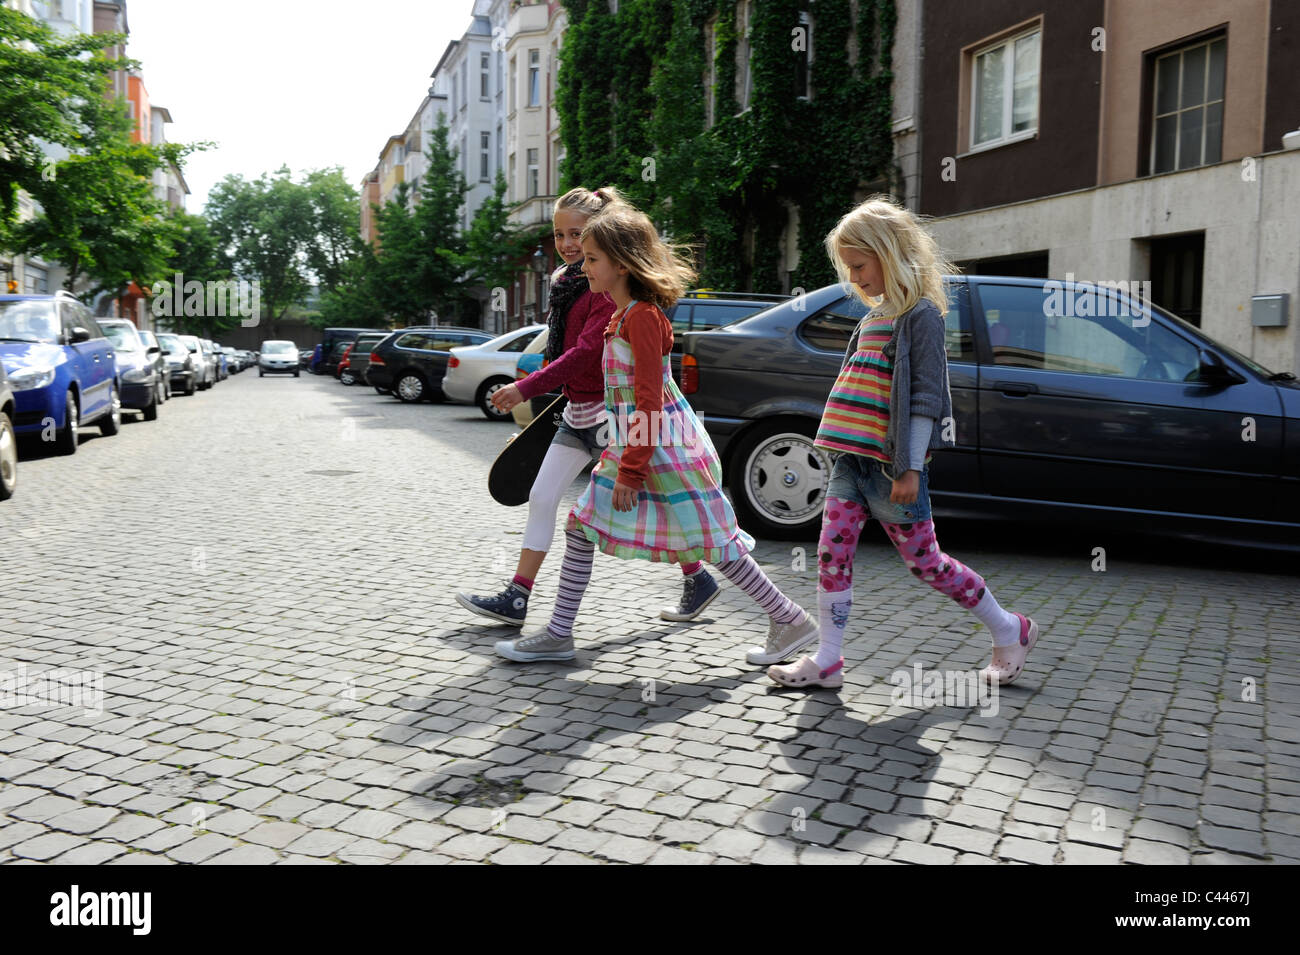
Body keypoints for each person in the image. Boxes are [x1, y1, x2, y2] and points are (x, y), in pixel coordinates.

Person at [494, 203, 816, 663]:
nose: (582, 267)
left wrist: (631, 470)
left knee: (713, 544)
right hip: (643, 445)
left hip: (663, 450)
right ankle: (559, 634)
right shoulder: (622, 316)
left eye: (592, 259)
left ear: (621, 264)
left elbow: (648, 400)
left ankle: (790, 619)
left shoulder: (642, 317)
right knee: (585, 527)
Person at [767, 195, 1040, 689]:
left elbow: (925, 398)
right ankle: (828, 659)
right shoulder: (873, 318)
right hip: (852, 464)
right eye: (847, 268)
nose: (853, 278)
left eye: (859, 265)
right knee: (831, 552)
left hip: (893, 468)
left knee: (926, 563)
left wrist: (910, 466)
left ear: (889, 253)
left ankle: (1009, 628)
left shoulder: (921, 316)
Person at [457, 187, 723, 629]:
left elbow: (584, 353)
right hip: (577, 409)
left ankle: (700, 576)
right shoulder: (566, 280)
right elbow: (560, 346)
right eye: (559, 234)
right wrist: (537, 416)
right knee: (542, 497)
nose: (567, 244)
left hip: (611, 415)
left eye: (577, 234)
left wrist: (526, 388)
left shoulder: (605, 285)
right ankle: (518, 597)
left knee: (655, 500)